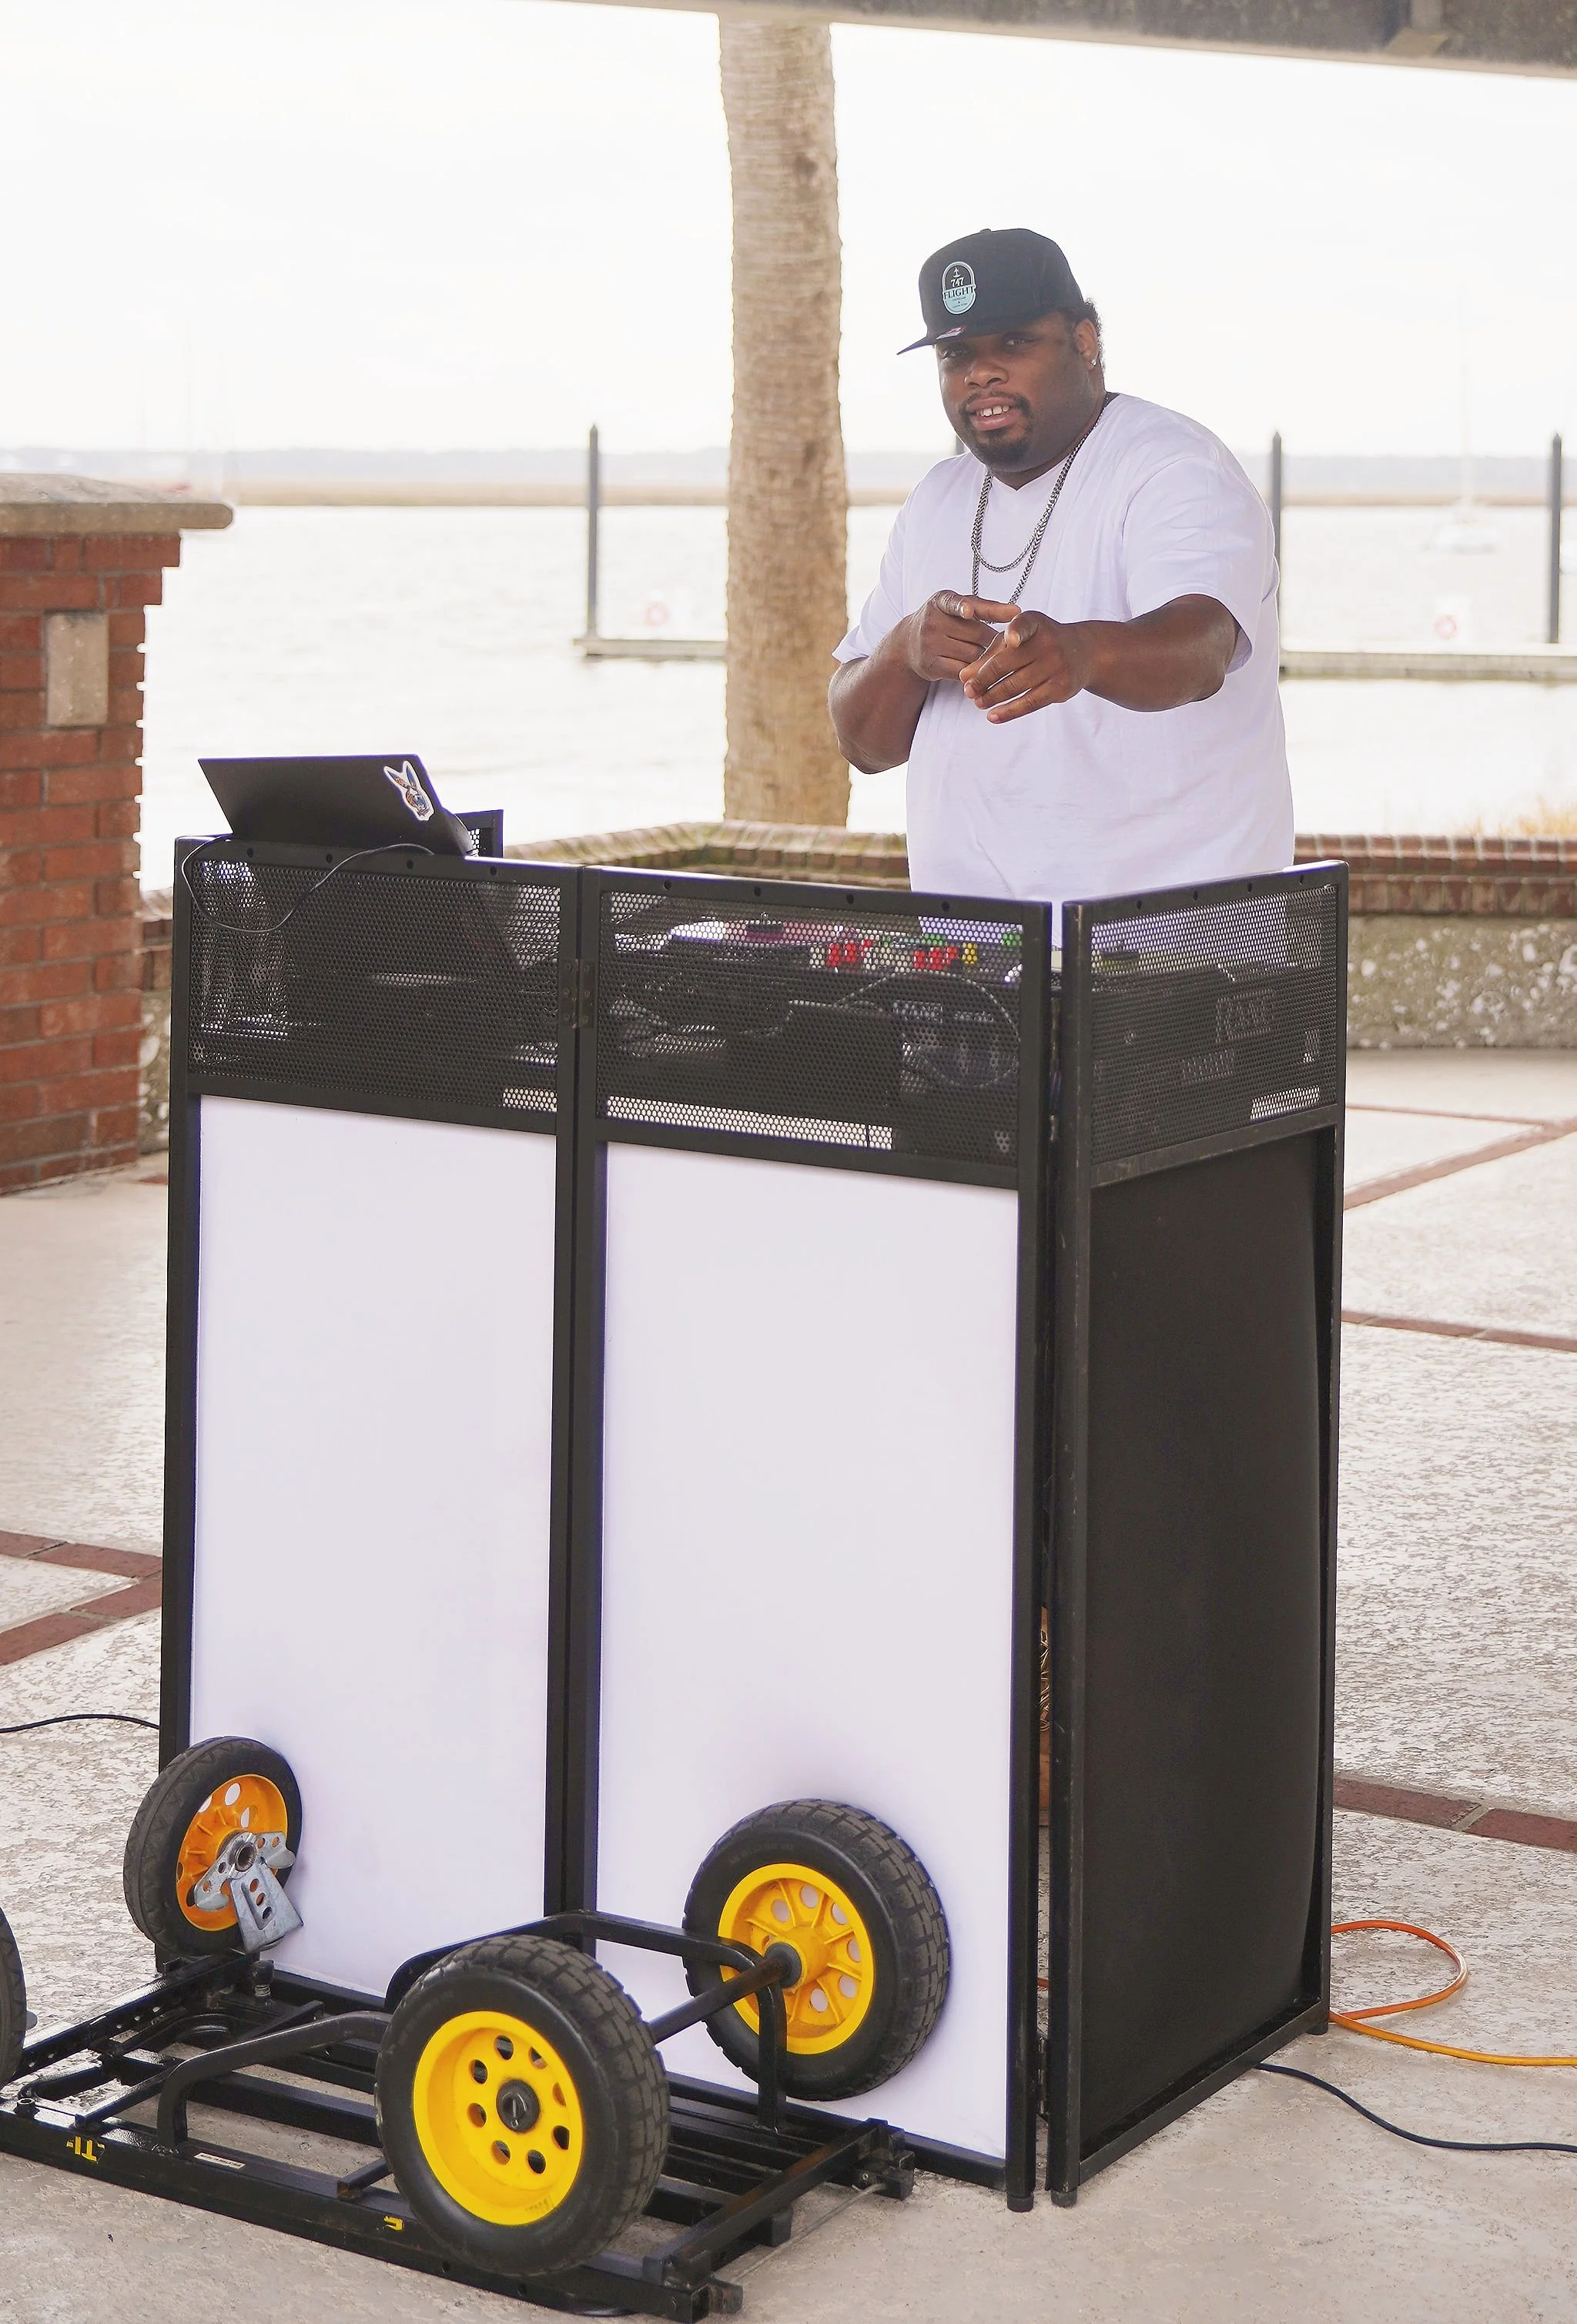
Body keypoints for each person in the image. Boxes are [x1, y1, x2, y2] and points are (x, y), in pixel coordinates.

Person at [829, 228, 1292, 919]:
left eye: (1014, 343)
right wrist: (901, 654)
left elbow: (1202, 650)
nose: (981, 375)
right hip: (976, 944)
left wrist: (1082, 653)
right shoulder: (935, 500)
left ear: (1084, 340)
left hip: (1170, 943)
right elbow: (862, 744)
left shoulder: (1173, 467)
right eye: (957, 355)